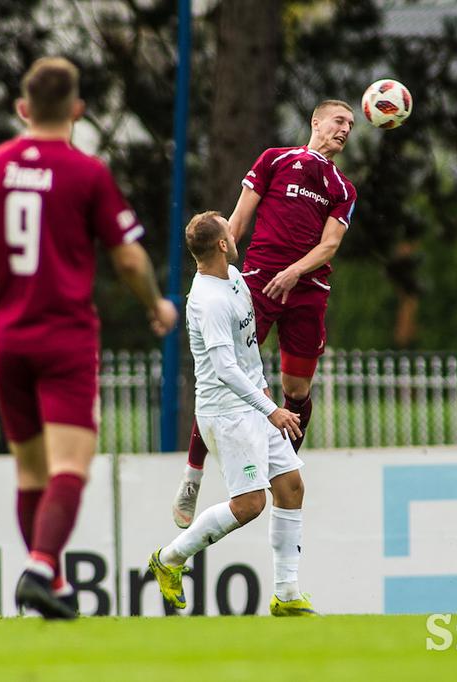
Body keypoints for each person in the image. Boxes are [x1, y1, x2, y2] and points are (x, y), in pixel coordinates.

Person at [0, 56, 177, 619]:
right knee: (71, 466)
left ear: (23, 109)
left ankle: (57, 585)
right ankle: (42, 566)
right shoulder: (86, 172)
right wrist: (156, 303)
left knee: (30, 473)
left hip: (10, 341)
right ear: (77, 109)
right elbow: (127, 257)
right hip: (65, 337)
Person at [172, 99, 358, 528]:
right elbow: (235, 222)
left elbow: (330, 245)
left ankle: (284, 466)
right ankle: (193, 474)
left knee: (297, 387)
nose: (346, 128)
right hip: (257, 280)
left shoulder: (343, 187)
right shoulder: (275, 160)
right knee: (225, 370)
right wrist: (209, 277)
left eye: (351, 124)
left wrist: (294, 273)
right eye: (339, 120)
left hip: (308, 289)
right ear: (316, 121)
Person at [148, 210, 315, 617]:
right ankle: (169, 559)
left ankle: (287, 592)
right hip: (227, 413)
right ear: (222, 244)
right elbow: (225, 371)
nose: (236, 230)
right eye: (229, 227)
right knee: (250, 505)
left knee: (291, 486)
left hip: (252, 403)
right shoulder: (209, 301)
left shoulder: (234, 278)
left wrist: (263, 394)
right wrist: (272, 409)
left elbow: (246, 352)